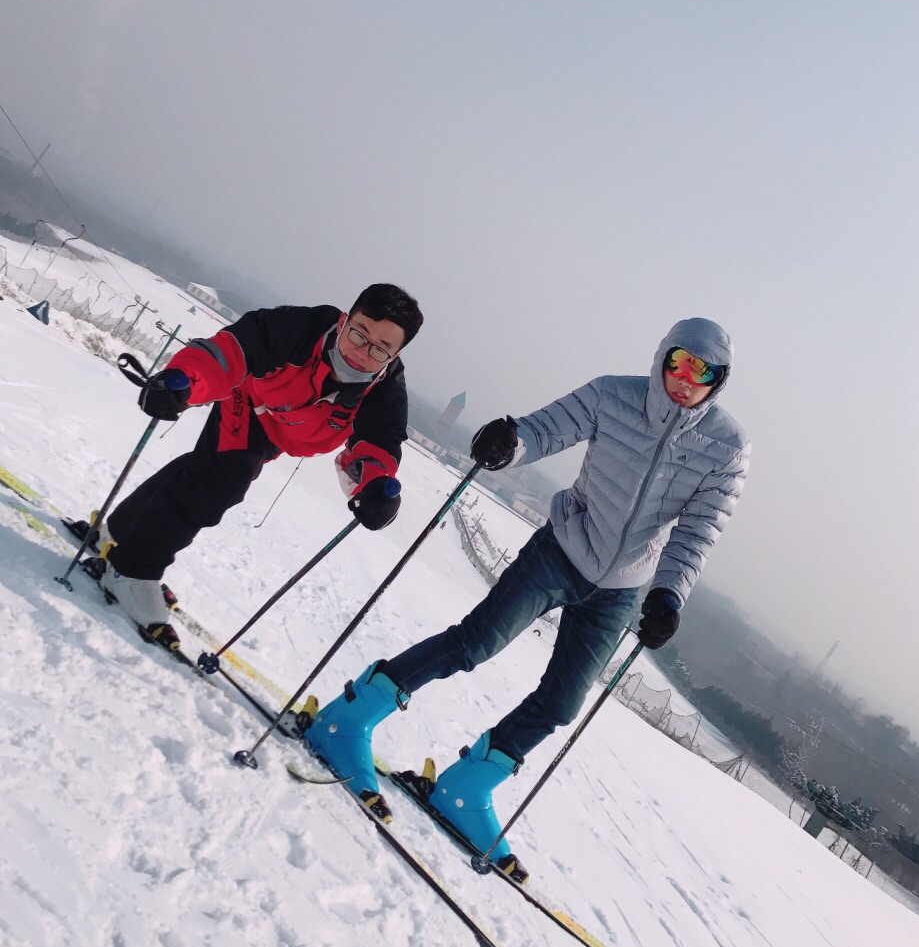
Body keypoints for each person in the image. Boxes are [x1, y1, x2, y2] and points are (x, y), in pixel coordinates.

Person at [303, 317, 750, 878]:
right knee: (476, 643)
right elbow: (547, 429)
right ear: (662, 357)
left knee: (562, 704)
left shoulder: (727, 447)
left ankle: (466, 788)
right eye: (679, 362)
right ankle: (349, 719)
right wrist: (510, 441)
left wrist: (668, 595)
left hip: (621, 588)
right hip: (563, 548)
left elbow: (699, 530)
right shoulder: (614, 394)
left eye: (703, 371)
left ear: (719, 380)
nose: (686, 378)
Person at [97, 283, 423, 642]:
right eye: (360, 334)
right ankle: (131, 570)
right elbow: (231, 353)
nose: (363, 353)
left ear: (394, 356)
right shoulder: (301, 329)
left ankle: (118, 531)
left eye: (381, 350)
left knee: (205, 470)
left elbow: (379, 441)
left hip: (283, 432)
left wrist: (375, 488)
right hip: (248, 399)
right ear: (345, 320)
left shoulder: (385, 388)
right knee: (221, 481)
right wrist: (185, 383)